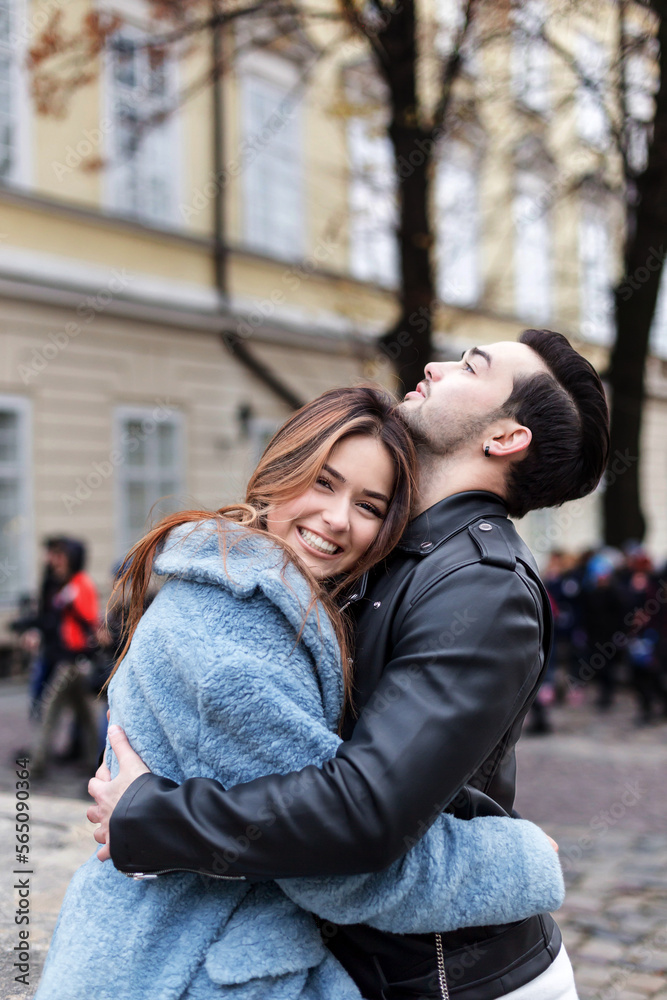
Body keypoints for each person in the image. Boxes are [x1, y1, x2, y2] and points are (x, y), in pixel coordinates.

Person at [90, 330, 610, 1000]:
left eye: (469, 366)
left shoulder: (481, 585)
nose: (435, 365)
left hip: (454, 981)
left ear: (506, 437)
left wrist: (150, 817)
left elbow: (364, 814)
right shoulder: (396, 550)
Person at [31, 539, 100, 778]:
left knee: (51, 709)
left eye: (61, 558)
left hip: (74, 662)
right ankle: (96, 761)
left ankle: (38, 762)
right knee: (85, 716)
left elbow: (89, 619)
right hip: (71, 661)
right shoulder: (68, 584)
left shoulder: (81, 584)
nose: (56, 563)